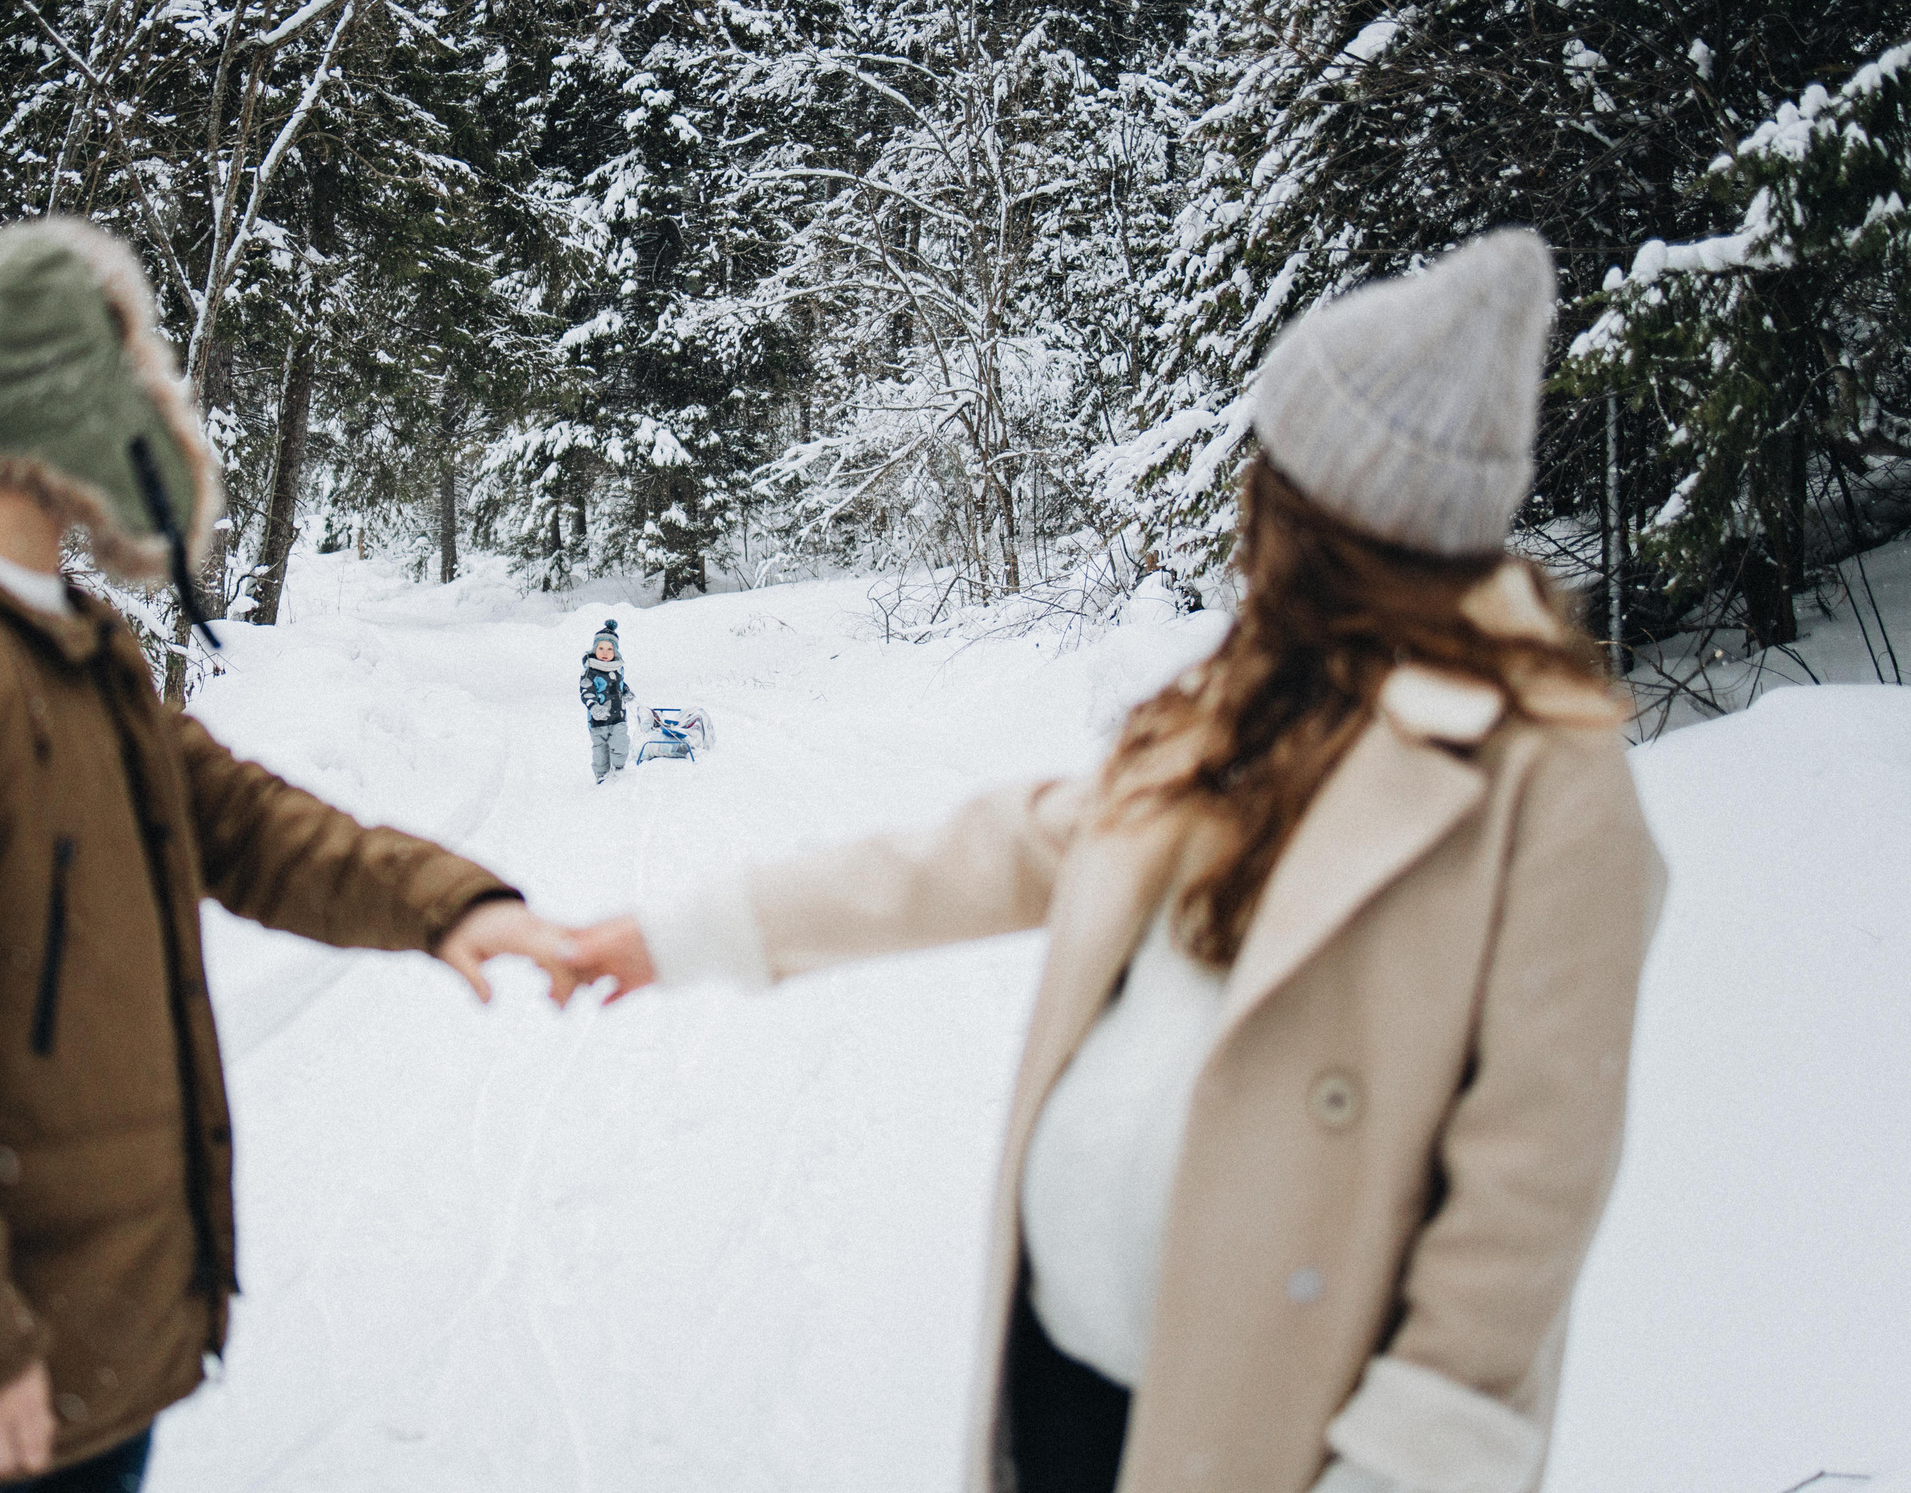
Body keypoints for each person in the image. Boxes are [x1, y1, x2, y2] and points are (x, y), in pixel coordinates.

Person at [566, 229, 1668, 1493]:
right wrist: (685, 936)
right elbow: (993, 851)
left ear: (1334, 515)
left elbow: (1525, 1196)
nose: (1248, 502)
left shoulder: (1545, 779)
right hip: (1064, 1377)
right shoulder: (1258, 695)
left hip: (1271, 1433)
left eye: (1276, 472)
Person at [0, 218, 581, 1493]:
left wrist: (448, 907)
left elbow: (242, 822)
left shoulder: (57, 638)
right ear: (49, 406)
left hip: (78, 1361)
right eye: (123, 378)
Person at [581, 619, 635, 784]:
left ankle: (619, 769)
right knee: (600, 751)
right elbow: (586, 692)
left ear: (615, 651)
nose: (605, 652)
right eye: (601, 648)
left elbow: (619, 684)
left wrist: (625, 691)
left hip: (618, 717)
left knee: (621, 742)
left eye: (610, 649)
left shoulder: (617, 668)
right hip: (598, 721)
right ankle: (602, 776)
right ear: (594, 649)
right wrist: (594, 707)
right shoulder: (590, 672)